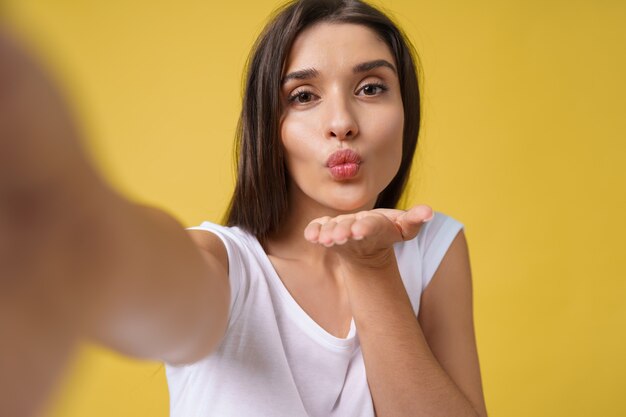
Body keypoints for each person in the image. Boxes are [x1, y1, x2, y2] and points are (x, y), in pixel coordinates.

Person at [0, 0, 487, 416]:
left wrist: (372, 266)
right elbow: (165, 284)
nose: (342, 122)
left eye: (371, 88)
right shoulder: (228, 264)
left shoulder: (434, 247)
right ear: (267, 127)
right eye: (303, 96)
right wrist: (74, 233)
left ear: (407, 109)